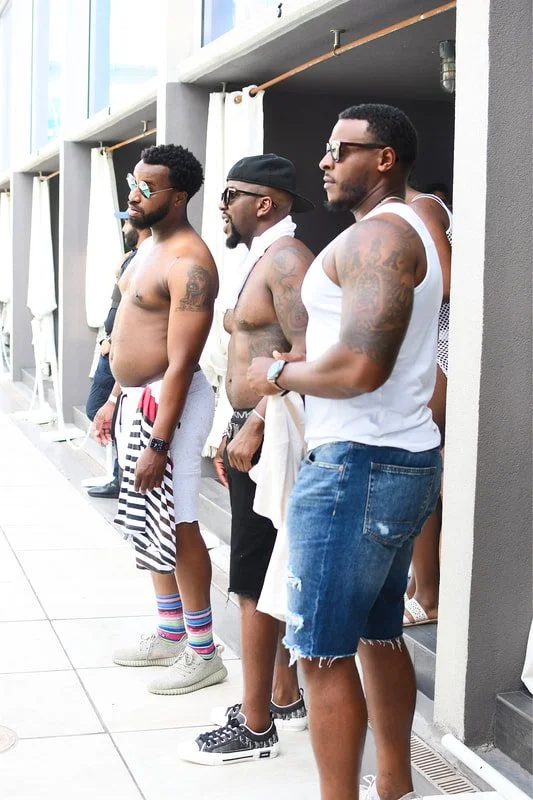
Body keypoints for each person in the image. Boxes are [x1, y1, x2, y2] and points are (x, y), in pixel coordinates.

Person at [247, 104, 443, 800]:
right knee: (378, 636)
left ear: (384, 157)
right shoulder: (415, 221)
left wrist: (270, 374)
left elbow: (360, 369)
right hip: (393, 457)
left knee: (320, 655)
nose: (324, 161)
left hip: (354, 466)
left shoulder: (378, 238)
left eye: (340, 149)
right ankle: (394, 785)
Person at [178, 154, 315, 766]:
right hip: (249, 430)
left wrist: (256, 423)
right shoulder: (261, 257)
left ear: (266, 202)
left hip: (272, 431)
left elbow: (310, 347)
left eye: (231, 193)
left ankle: (256, 726)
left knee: (253, 580)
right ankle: (280, 696)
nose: (221, 204)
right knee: (259, 570)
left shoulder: (287, 259)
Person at [92, 144, 226, 695]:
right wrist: (113, 396)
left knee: (179, 520)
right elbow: (134, 332)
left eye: (146, 189)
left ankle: (203, 650)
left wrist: (160, 443)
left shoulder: (190, 262)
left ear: (179, 196)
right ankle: (171, 631)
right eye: (132, 183)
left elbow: (180, 363)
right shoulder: (148, 247)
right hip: (135, 398)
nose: (134, 194)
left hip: (169, 405)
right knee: (148, 521)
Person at [403, 185, 453, 626]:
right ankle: (421, 585)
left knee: (422, 463)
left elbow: (448, 281)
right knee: (425, 466)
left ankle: (429, 592)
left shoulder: (422, 207)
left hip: (444, 347)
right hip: (430, 347)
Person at [86, 214, 151, 498]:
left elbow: (134, 312)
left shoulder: (145, 261)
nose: (124, 227)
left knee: (110, 412)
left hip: (122, 350)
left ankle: (122, 476)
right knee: (96, 409)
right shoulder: (129, 259)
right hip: (110, 348)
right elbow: (117, 306)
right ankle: (120, 473)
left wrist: (113, 340)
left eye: (127, 222)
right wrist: (106, 337)